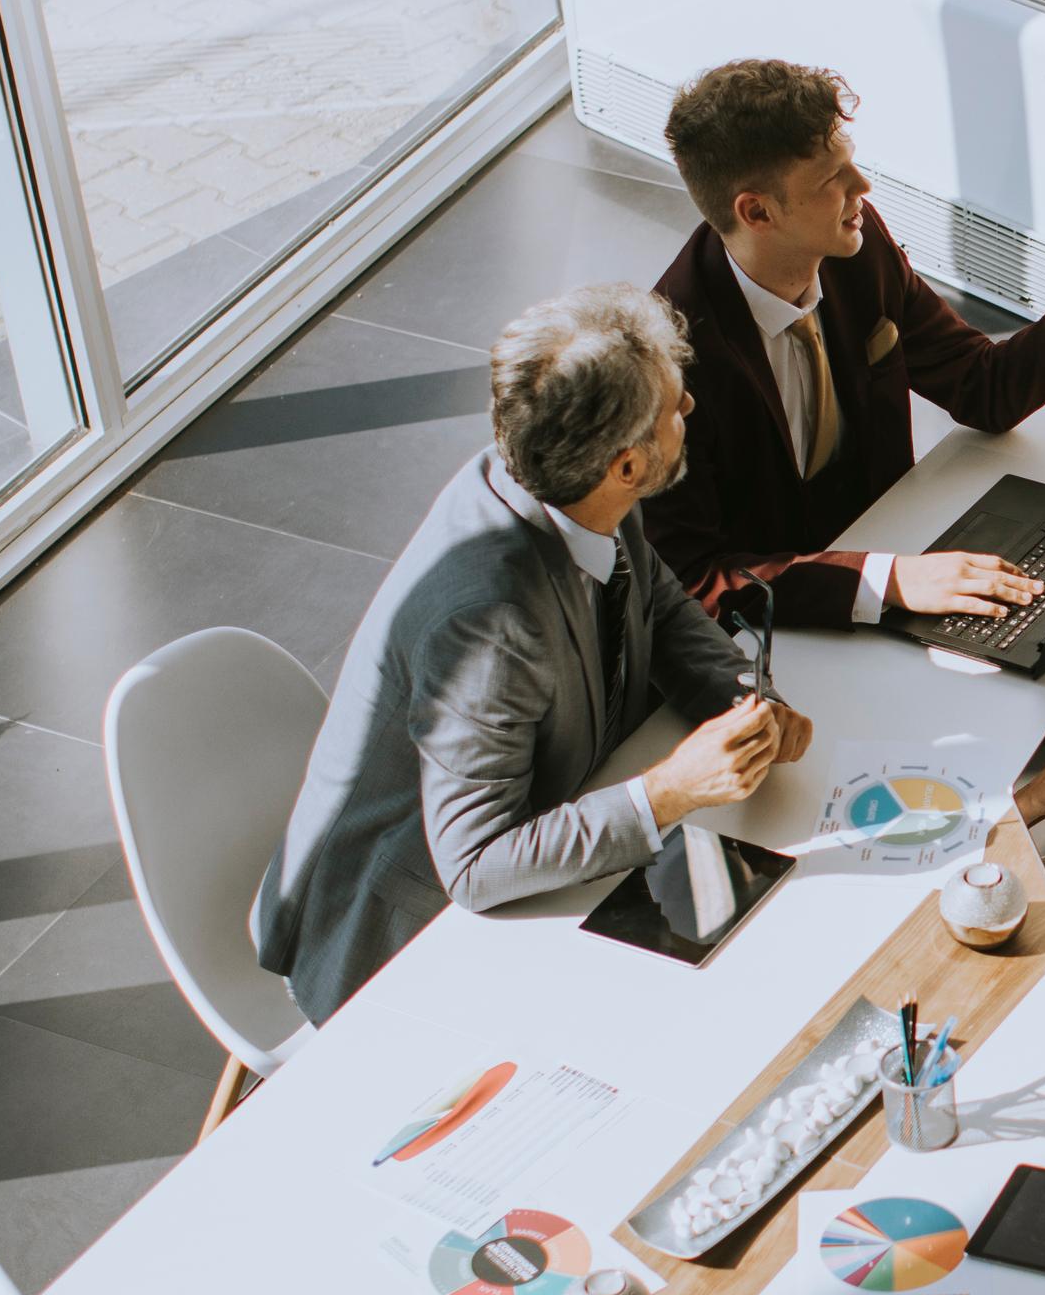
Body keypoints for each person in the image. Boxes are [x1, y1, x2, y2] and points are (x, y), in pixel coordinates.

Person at [256, 286, 814, 1024]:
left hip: (558, 823)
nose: (690, 414)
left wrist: (743, 698)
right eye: (676, 408)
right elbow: (476, 866)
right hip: (405, 938)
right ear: (625, 466)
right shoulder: (487, 624)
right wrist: (672, 789)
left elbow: (651, 598)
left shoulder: (562, 475)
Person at [641, 58, 1045, 628]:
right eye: (833, 178)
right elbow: (697, 580)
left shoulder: (855, 246)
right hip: (789, 628)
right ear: (757, 212)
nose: (864, 185)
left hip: (906, 551)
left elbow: (983, 388)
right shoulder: (667, 358)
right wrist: (888, 582)